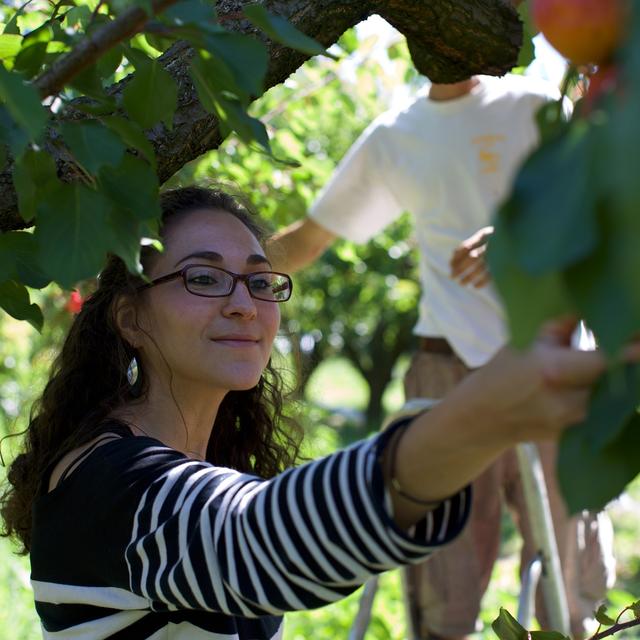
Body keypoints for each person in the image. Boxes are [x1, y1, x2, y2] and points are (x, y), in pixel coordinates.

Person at [0, 186, 619, 640]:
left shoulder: (190, 461)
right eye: (203, 278)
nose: (244, 304)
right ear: (130, 317)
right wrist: (485, 415)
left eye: (260, 281)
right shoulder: (109, 483)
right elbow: (259, 540)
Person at [268, 74, 615, 639]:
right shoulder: (398, 135)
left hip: (550, 362)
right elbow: (309, 240)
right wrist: (193, 266)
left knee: (568, 584)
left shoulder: (536, 107)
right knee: (442, 593)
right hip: (445, 367)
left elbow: (603, 207)